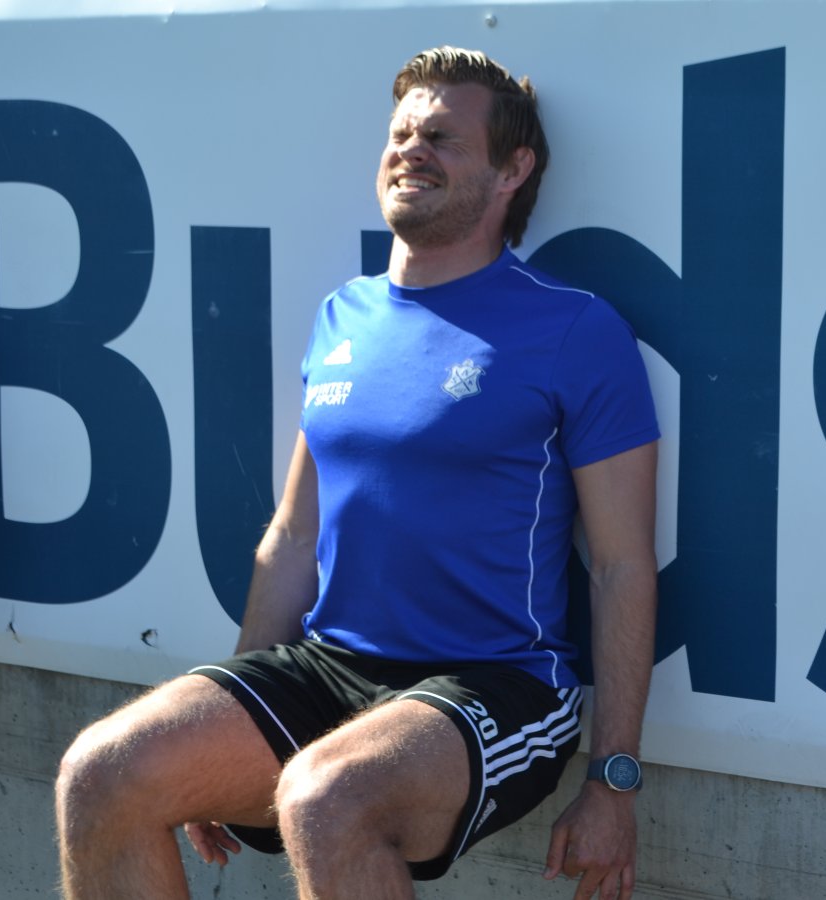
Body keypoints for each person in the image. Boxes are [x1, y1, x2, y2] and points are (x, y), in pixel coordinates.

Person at [55, 47, 660, 900]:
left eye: (443, 137)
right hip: (331, 665)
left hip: (501, 683)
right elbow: (293, 536)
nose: (412, 149)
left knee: (324, 799)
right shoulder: (343, 315)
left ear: (512, 170)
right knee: (101, 773)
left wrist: (613, 779)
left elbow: (621, 565)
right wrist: (233, 705)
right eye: (401, 133)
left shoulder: (577, 330)